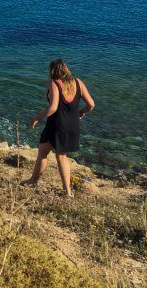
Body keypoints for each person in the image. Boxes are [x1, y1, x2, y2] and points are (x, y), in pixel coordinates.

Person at [23, 59, 95, 197]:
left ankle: (35, 181)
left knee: (45, 153)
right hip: (73, 126)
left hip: (56, 125)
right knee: (59, 155)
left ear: (52, 71)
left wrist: (35, 119)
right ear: (66, 69)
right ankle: (66, 191)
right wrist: (82, 111)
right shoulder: (78, 82)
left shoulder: (55, 83)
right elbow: (91, 104)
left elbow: (53, 108)